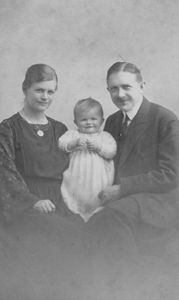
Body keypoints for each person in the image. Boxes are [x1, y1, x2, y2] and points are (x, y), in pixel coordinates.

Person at [99, 61, 179, 230]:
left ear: (141, 86)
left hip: (157, 202)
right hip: (123, 201)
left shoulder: (165, 120)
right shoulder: (113, 122)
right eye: (114, 88)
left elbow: (171, 174)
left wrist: (122, 189)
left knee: (110, 219)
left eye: (126, 87)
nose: (120, 94)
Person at [0, 63, 69, 221]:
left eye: (50, 92)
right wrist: (33, 201)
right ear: (25, 89)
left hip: (62, 201)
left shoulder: (60, 129)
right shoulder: (8, 128)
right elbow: (4, 174)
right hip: (26, 204)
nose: (45, 97)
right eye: (39, 90)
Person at [58, 98, 117, 222]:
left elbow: (112, 152)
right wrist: (73, 144)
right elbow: (61, 144)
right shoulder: (73, 135)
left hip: (98, 178)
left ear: (102, 121)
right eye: (84, 119)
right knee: (75, 194)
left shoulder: (105, 136)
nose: (89, 122)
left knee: (97, 196)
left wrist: (99, 148)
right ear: (76, 121)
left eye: (93, 119)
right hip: (77, 176)